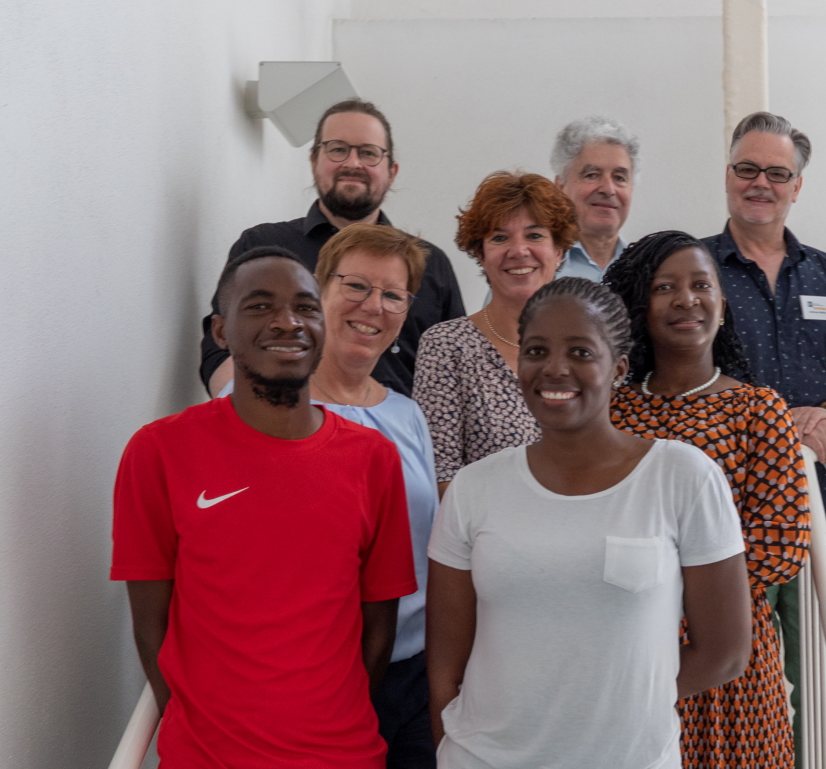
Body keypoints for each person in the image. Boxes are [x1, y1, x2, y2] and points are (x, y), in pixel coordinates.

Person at [425, 277, 752, 769]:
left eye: (580, 352)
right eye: (536, 350)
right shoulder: (473, 489)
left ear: (618, 368)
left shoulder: (682, 475)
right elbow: (444, 670)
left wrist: (615, 706)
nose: (555, 369)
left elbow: (725, 651)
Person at [112, 246, 416, 768]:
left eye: (305, 306)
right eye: (258, 306)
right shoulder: (158, 452)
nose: (287, 322)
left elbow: (379, 627)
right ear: (220, 331)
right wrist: (200, 730)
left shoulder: (374, 460)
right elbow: (150, 625)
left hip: (343, 755)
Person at [701, 111, 826, 762]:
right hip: (724, 512)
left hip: (821, 507)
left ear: (797, 186)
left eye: (776, 173)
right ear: (728, 176)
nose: (761, 183)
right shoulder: (693, 272)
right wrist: (766, 417)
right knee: (737, 675)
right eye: (747, 169)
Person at [605, 231, 811, 769]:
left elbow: (781, 543)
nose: (686, 299)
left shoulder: (757, 409)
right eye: (664, 287)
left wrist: (679, 592)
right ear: (639, 307)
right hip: (628, 645)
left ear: (722, 303)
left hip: (728, 653)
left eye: (701, 285)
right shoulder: (611, 412)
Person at [199, 98, 465, 398]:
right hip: (287, 435)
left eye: (368, 153)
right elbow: (221, 347)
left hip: (401, 437)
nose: (353, 163)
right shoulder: (263, 247)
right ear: (314, 161)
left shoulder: (431, 263)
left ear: (392, 170)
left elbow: (455, 374)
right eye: (338, 149)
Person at [413, 171, 577, 493]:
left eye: (534, 235)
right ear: (480, 254)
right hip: (484, 538)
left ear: (559, 251)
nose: (518, 250)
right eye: (499, 238)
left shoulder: (588, 349)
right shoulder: (446, 347)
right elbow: (439, 478)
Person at [550, 116, 638, 279]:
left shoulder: (647, 272)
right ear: (560, 187)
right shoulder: (534, 270)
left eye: (619, 177)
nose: (608, 189)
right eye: (592, 175)